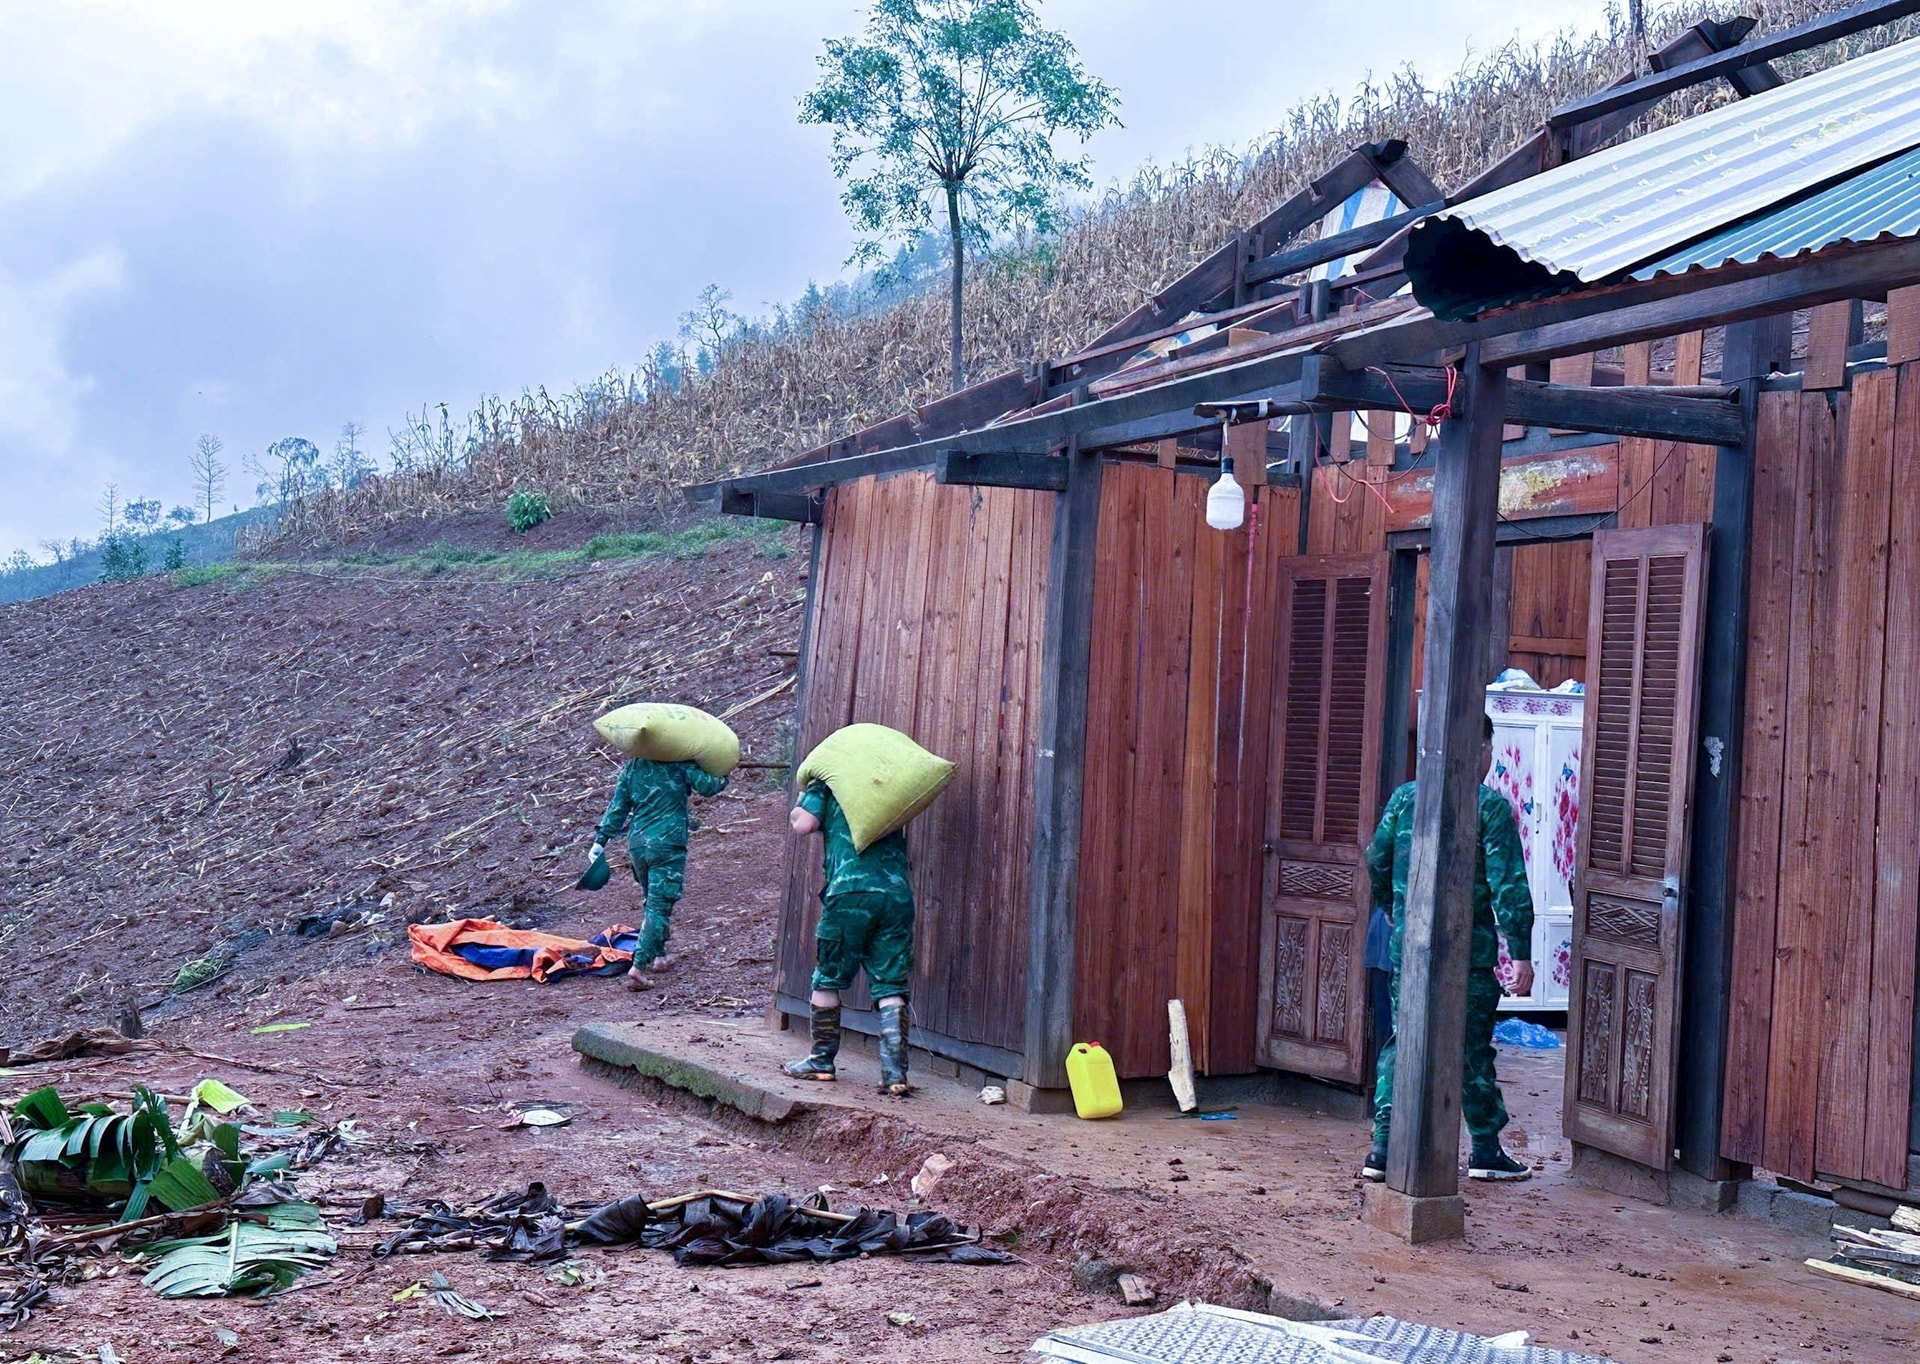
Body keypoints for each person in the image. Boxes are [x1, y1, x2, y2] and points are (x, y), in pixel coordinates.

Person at [1362, 713, 1534, 1183]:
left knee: (1403, 1040)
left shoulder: (1404, 798)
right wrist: (1521, 952)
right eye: (1488, 749)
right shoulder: (1489, 808)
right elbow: (1508, 885)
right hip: (1468, 954)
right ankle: (1484, 1149)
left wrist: (1391, 906)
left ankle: (1381, 1149)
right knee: (1471, 1048)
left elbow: (1376, 858)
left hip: (1408, 947)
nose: (1490, 757)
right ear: (1478, 750)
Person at [782, 778, 916, 1095]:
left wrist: (801, 802)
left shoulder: (829, 782)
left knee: (827, 977)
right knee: (890, 983)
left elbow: (803, 824)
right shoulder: (892, 787)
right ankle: (894, 1074)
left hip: (850, 892)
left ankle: (821, 1061)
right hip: (896, 895)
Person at [589, 755, 728, 990]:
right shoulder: (680, 760)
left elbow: (618, 806)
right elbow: (708, 787)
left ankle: (659, 955)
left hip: (638, 844)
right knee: (659, 905)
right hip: (667, 844)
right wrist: (724, 772)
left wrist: (601, 840)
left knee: (652, 900)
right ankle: (639, 966)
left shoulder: (634, 765)